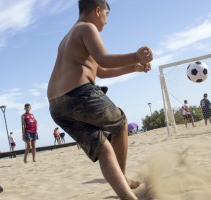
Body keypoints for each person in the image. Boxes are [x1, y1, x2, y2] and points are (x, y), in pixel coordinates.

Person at [47, 1, 153, 199]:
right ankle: (122, 176)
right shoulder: (87, 27)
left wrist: (135, 66)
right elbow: (104, 59)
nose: (106, 21)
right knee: (120, 123)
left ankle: (127, 195)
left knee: (103, 147)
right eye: (106, 14)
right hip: (78, 95)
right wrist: (136, 55)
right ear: (97, 11)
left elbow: (101, 71)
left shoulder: (67, 38)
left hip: (57, 106)